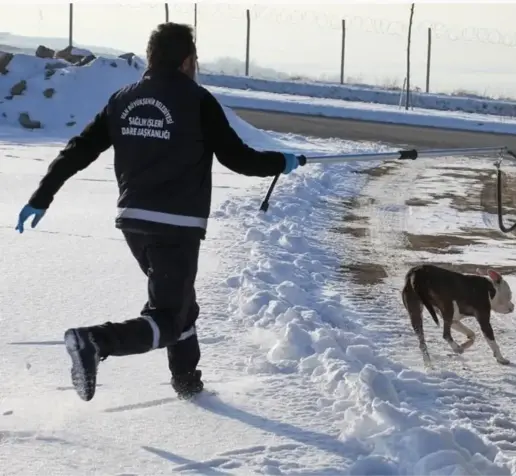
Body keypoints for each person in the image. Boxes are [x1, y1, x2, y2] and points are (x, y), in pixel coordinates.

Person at [15, 22, 304, 403]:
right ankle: (95, 341)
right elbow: (238, 158)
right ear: (187, 60)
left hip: (134, 222)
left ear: (151, 58)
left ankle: (187, 381)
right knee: (168, 316)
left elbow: (79, 149)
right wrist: (279, 162)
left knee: (181, 304)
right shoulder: (198, 100)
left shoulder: (123, 98)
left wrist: (42, 195)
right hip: (177, 227)